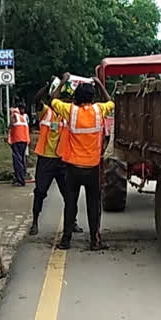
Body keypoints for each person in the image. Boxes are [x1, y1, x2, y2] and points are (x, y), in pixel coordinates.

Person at [50, 77, 114, 250]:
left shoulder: (70, 111)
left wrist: (63, 81)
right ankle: (95, 241)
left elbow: (53, 100)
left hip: (73, 168)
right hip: (92, 168)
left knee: (70, 203)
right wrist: (100, 83)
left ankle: (66, 240)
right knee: (94, 204)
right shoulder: (99, 110)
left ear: (76, 97)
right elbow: (111, 102)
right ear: (93, 97)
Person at [29, 76, 82, 236]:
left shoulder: (68, 114)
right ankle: (34, 222)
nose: (64, 100)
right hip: (46, 159)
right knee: (40, 192)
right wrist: (47, 86)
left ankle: (73, 222)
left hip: (63, 161)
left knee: (69, 195)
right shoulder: (45, 111)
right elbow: (37, 100)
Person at [6, 101, 30, 187]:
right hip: (24, 140)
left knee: (17, 161)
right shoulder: (24, 117)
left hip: (17, 140)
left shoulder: (15, 115)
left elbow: (11, 125)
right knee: (22, 160)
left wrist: (7, 133)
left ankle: (20, 180)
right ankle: (21, 177)